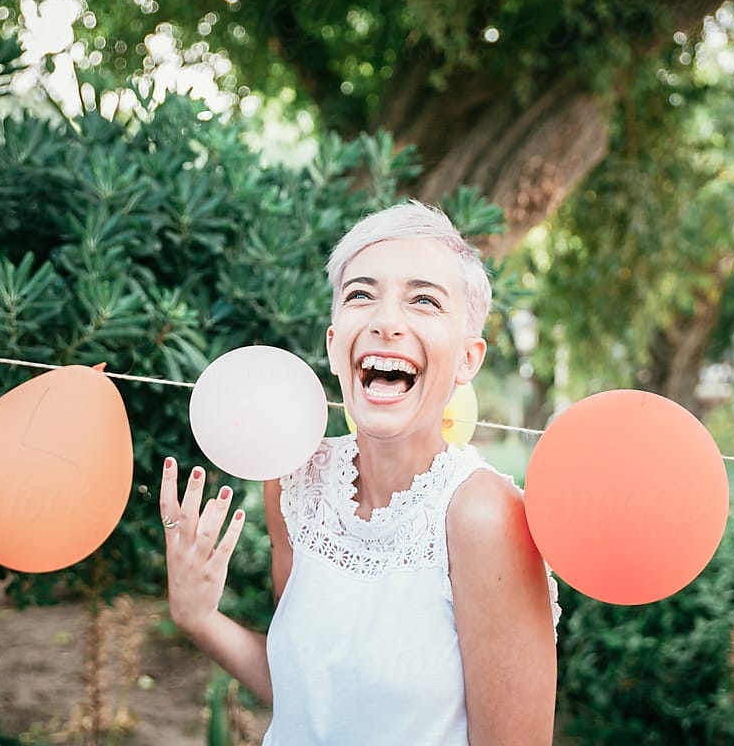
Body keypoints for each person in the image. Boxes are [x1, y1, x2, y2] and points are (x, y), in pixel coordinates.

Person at [158, 200, 560, 745]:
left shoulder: (483, 517)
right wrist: (198, 616)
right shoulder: (294, 479)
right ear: (332, 342)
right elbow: (305, 692)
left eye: (423, 300)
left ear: (469, 358)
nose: (386, 321)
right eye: (361, 295)